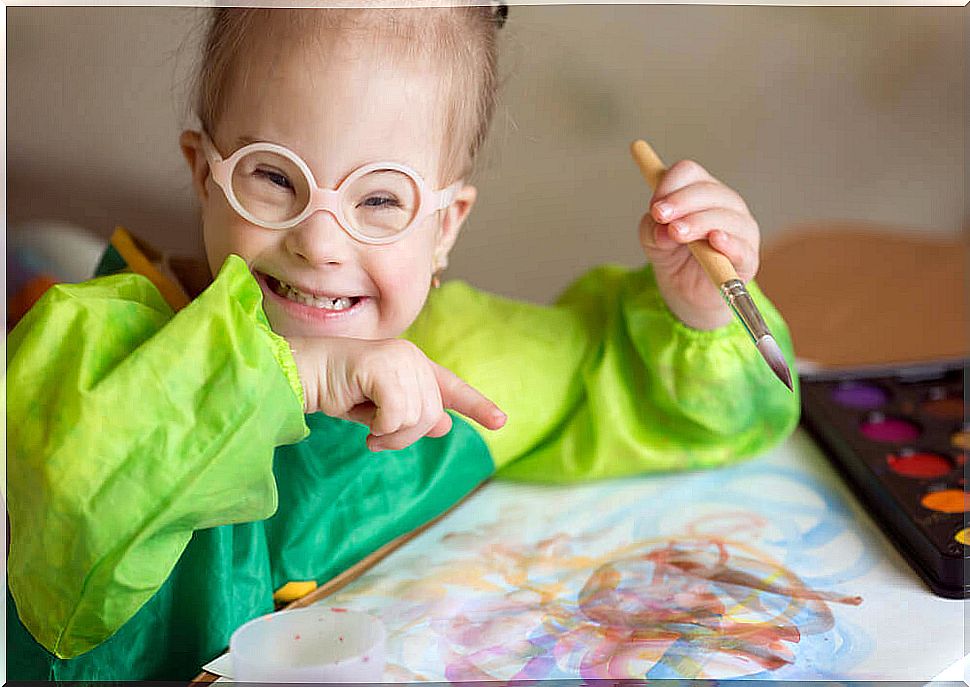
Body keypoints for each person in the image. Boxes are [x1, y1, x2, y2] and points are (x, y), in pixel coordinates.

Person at [6, 4, 799, 680]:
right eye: (274, 177)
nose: (319, 242)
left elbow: (680, 408)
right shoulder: (96, 346)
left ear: (446, 224)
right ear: (202, 173)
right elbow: (66, 518)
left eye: (381, 197)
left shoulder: (476, 365)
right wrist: (289, 374)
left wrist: (699, 312)